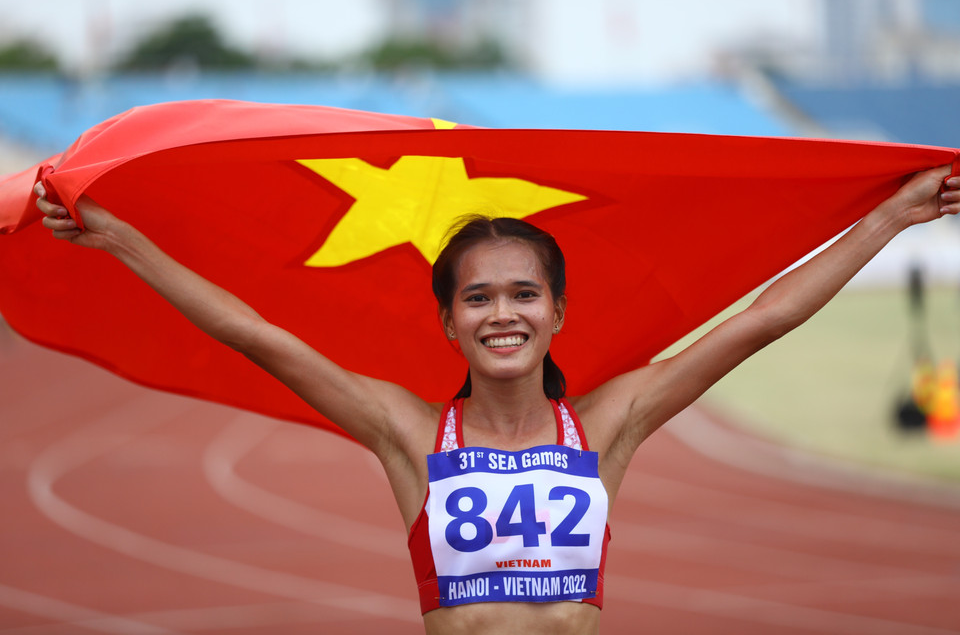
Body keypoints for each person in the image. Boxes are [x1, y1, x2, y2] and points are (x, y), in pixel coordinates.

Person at [34, 165, 959, 634]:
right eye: (478, 297)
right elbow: (256, 335)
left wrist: (886, 217)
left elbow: (761, 321)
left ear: (558, 313)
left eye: (524, 294)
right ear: (447, 321)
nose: (502, 313)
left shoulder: (607, 423)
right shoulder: (406, 431)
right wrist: (126, 245)